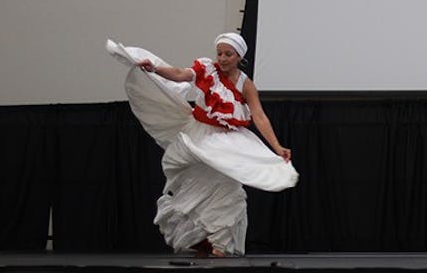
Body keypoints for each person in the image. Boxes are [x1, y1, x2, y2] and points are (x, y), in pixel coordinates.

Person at [106, 33, 298, 257]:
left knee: (228, 191)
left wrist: (277, 147)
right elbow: (179, 74)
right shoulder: (207, 69)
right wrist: (155, 69)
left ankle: (218, 244)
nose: (223, 58)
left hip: (225, 141)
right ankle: (196, 237)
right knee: (193, 185)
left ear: (239, 57)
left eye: (228, 54)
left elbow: (259, 116)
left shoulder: (246, 85)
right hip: (197, 134)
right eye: (220, 53)